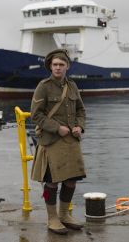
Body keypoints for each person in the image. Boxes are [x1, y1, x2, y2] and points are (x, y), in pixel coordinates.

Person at [30, 49, 86, 235]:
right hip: (52, 140)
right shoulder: (43, 86)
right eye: (55, 65)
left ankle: (64, 215)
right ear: (50, 66)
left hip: (71, 140)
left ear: (67, 67)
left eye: (61, 65)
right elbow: (36, 115)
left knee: (71, 180)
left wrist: (80, 126)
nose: (58, 68)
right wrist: (57, 128)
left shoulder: (73, 86)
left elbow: (80, 111)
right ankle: (52, 218)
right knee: (51, 183)